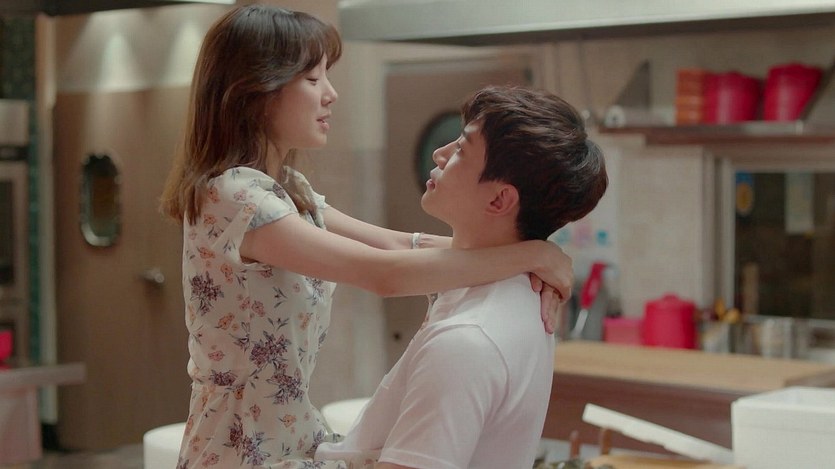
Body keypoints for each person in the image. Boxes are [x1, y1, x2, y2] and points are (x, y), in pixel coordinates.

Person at [159, 5, 575, 469]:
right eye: (313, 79)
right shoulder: (233, 195)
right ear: (256, 90)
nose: (330, 94)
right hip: (237, 449)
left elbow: (397, 246)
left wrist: (532, 252)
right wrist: (532, 255)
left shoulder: (288, 189)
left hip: (291, 436)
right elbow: (382, 274)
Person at [315, 85, 609, 469]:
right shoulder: (517, 287)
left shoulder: (466, 340)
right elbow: (398, 249)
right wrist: (536, 252)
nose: (439, 153)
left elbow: (386, 272)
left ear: (499, 199)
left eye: (461, 149)